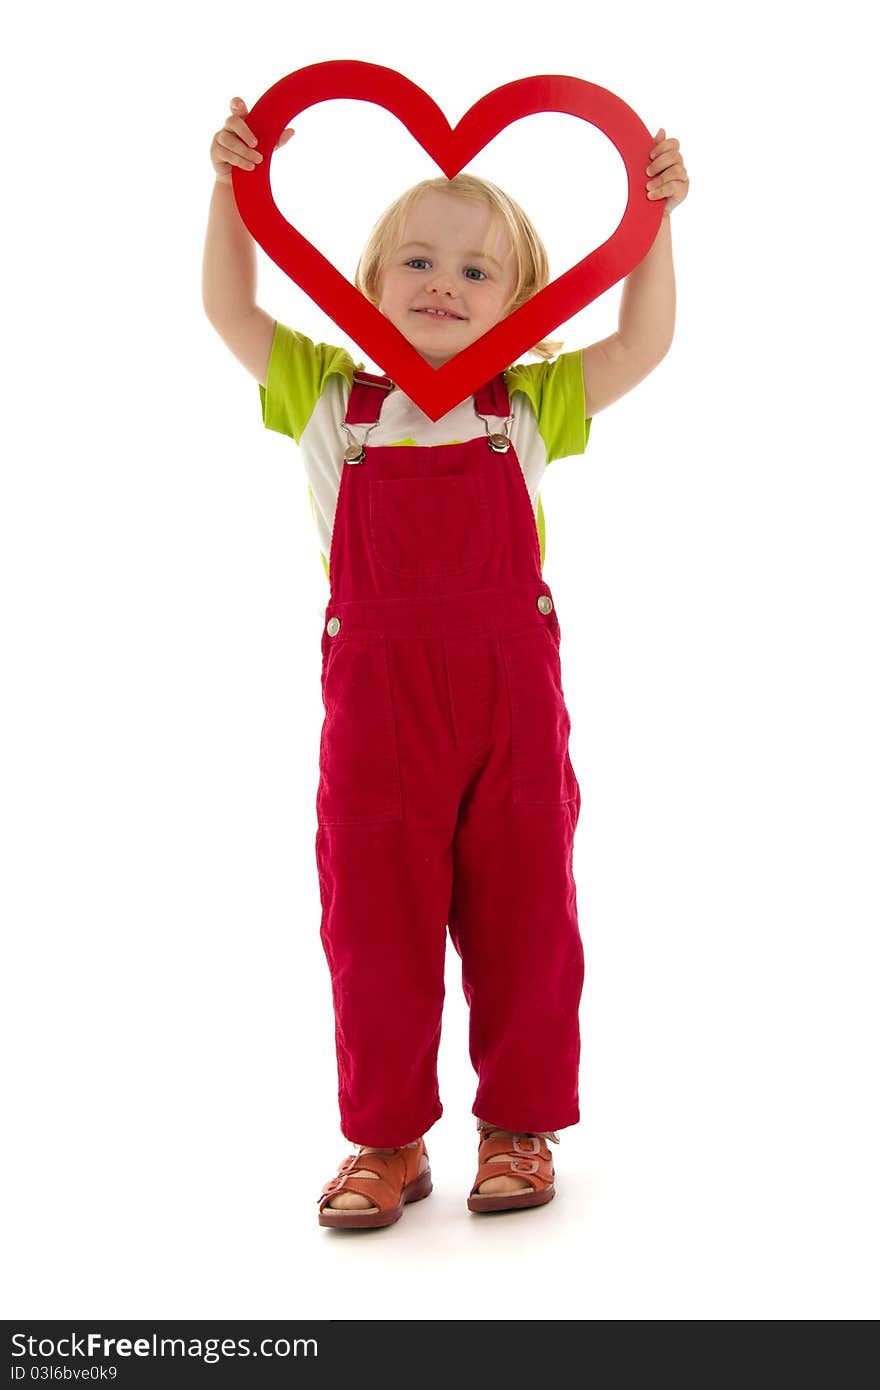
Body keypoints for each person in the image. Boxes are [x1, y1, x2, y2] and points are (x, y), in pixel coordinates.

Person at [203, 94, 687, 1229]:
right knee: (374, 917)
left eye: (478, 274)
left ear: (524, 307)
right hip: (376, 707)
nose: (442, 283)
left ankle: (518, 1122)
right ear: (363, 283)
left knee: (527, 907)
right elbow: (228, 305)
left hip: (507, 702)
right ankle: (386, 1137)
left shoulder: (527, 399)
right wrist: (233, 187)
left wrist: (655, 221)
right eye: (416, 259)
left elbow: (643, 342)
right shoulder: (327, 393)